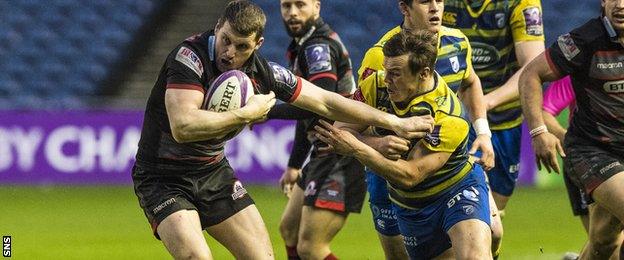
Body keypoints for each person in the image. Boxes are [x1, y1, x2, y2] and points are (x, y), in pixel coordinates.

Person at [131, 1, 434, 259]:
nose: (229, 53)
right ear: (218, 26)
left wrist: (396, 122)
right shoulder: (189, 58)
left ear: (257, 45)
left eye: (241, 47)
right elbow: (183, 127)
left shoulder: (263, 72)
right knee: (198, 257)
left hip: (212, 173)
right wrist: (245, 114)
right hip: (163, 177)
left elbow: (326, 102)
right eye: (225, 40)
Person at [316, 30, 492, 259]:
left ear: (424, 73)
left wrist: (358, 148)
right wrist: (377, 143)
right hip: (411, 205)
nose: (386, 79)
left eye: (396, 74)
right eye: (386, 70)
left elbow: (409, 174)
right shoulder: (375, 86)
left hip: (455, 189)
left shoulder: (448, 116)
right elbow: (339, 131)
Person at [357, 0, 498, 258]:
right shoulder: (381, 56)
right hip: (390, 171)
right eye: (424, 1)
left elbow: (470, 81)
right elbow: (358, 115)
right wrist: (377, 144)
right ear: (404, 8)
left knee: (493, 233)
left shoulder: (457, 42)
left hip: (446, 159)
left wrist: (483, 132)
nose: (435, 8)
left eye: (440, 0)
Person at [519, 0, 624, 259]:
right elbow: (530, 74)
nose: (620, 4)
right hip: (593, 150)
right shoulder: (584, 40)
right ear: (603, 1)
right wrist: (538, 131)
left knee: (604, 241)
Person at [442, 0, 546, 257]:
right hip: (458, 125)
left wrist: (484, 104)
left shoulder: (522, 3)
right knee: (472, 219)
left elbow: (533, 68)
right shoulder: (444, 4)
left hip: (505, 124)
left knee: (493, 221)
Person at [265, 0, 365, 259]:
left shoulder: (318, 47)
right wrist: (294, 165)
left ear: (317, 7)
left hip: (340, 150)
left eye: (301, 5)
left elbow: (321, 106)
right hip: (323, 149)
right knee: (289, 229)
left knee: (311, 248)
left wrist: (265, 110)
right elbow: (308, 110)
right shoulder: (303, 45)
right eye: (286, 6)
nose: (293, 13)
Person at [542, 77, 623, 260]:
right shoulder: (582, 66)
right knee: (607, 247)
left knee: (604, 245)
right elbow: (545, 111)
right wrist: (570, 141)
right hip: (592, 163)